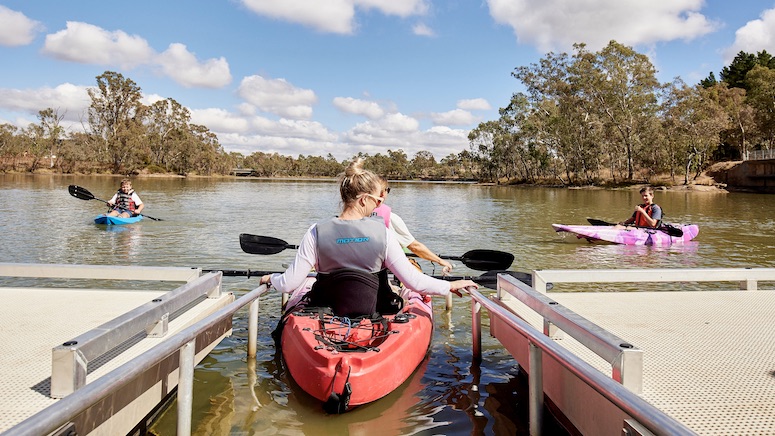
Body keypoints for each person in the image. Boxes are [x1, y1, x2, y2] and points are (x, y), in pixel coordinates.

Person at [259, 158, 477, 316]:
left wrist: (272, 279)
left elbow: (289, 284)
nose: (379, 205)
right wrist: (448, 286)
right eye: (376, 200)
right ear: (363, 200)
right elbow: (414, 281)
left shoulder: (315, 231)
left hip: (324, 312)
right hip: (371, 311)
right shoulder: (383, 233)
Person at [371, 176, 454, 275]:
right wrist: (440, 261)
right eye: (387, 190)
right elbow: (414, 246)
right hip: (379, 270)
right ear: (382, 193)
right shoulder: (391, 218)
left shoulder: (353, 213)